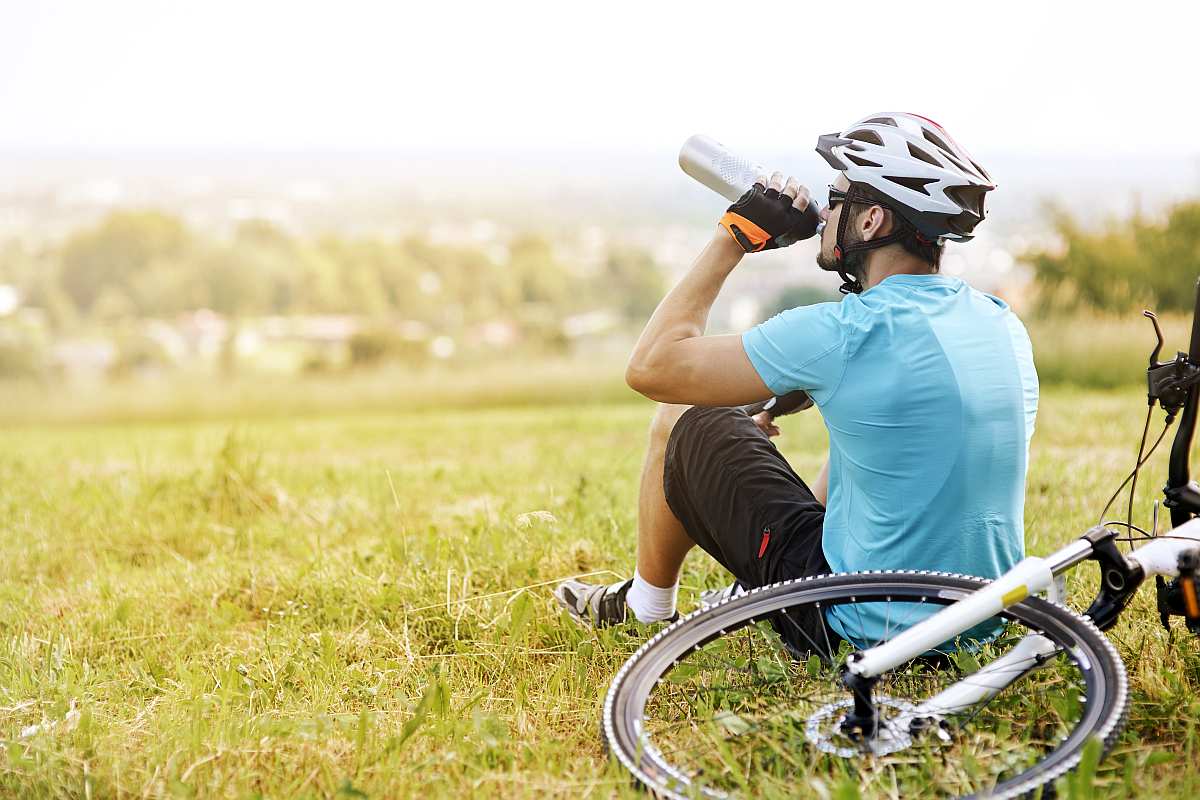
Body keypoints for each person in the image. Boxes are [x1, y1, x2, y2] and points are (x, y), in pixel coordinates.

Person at [554, 112, 1038, 651]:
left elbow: (652, 368)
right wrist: (781, 397)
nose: (826, 212)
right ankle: (749, 586)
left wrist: (734, 236)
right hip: (979, 621)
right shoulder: (999, 322)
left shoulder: (844, 331)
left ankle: (645, 608)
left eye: (837, 200)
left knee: (685, 419)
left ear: (871, 220)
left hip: (859, 627)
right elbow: (897, 413)